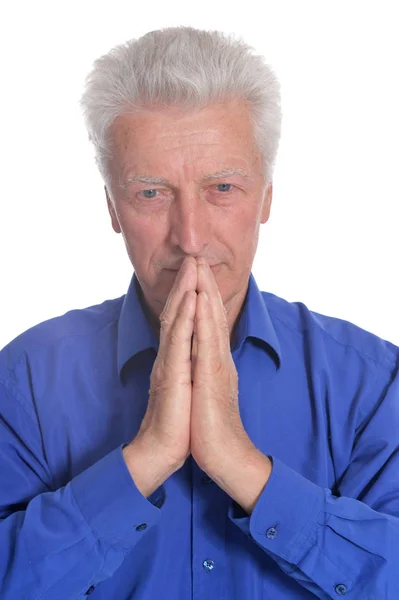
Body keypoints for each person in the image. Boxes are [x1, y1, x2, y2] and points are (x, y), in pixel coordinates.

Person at [0, 25, 398, 600]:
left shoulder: (372, 384)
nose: (190, 238)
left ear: (266, 197)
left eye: (223, 188)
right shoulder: (25, 383)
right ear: (112, 207)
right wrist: (145, 460)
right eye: (151, 194)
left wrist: (242, 467)